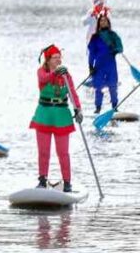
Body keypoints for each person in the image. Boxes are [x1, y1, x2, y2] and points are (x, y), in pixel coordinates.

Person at [30, 45, 83, 192]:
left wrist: (78, 109)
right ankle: (42, 180)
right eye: (55, 57)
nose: (58, 59)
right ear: (48, 60)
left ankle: (67, 183)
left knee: (63, 152)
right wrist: (55, 73)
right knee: (44, 151)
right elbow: (45, 78)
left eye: (59, 57)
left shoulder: (66, 74)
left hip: (62, 116)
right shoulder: (41, 71)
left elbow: (72, 92)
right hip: (44, 115)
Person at [88, 13, 123, 114]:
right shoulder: (95, 37)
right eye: (101, 21)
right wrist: (90, 66)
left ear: (108, 23)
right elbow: (91, 53)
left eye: (105, 21)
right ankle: (98, 108)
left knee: (113, 86)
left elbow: (120, 48)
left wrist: (115, 49)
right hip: (99, 66)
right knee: (98, 87)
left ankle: (114, 107)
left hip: (111, 65)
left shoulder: (113, 35)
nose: (103, 22)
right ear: (99, 23)